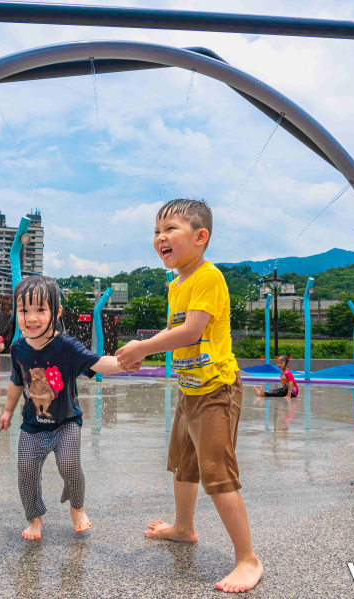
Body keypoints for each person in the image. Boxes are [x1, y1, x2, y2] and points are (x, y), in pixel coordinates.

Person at [116, 198, 264, 593]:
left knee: (217, 473)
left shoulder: (208, 277)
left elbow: (191, 332)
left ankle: (248, 559)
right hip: (190, 389)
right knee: (184, 465)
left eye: (170, 230)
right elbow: (180, 341)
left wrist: (142, 347)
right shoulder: (176, 283)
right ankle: (183, 527)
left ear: (201, 238)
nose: (160, 237)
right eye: (156, 231)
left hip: (216, 389)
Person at [0, 275, 141, 541]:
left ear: (57, 311)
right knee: (26, 471)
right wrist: (8, 411)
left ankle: (77, 508)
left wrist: (122, 363)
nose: (31, 317)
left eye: (40, 309)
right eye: (24, 310)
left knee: (70, 465)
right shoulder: (18, 349)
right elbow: (17, 380)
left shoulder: (66, 346)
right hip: (32, 426)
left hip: (66, 423)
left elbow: (97, 362)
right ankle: (34, 518)